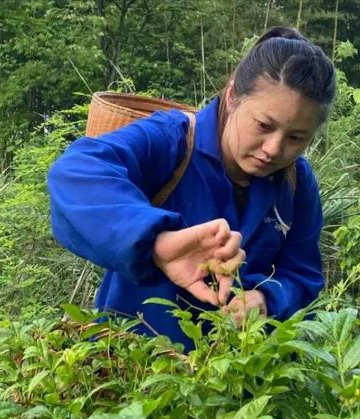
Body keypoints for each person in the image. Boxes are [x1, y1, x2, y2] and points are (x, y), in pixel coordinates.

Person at [47, 26, 336, 351]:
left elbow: (302, 272)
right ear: (232, 96)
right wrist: (158, 243)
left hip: (241, 377)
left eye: (296, 138)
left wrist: (268, 299)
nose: (273, 148)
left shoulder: (296, 183)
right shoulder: (171, 141)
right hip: (136, 367)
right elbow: (76, 172)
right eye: (263, 126)